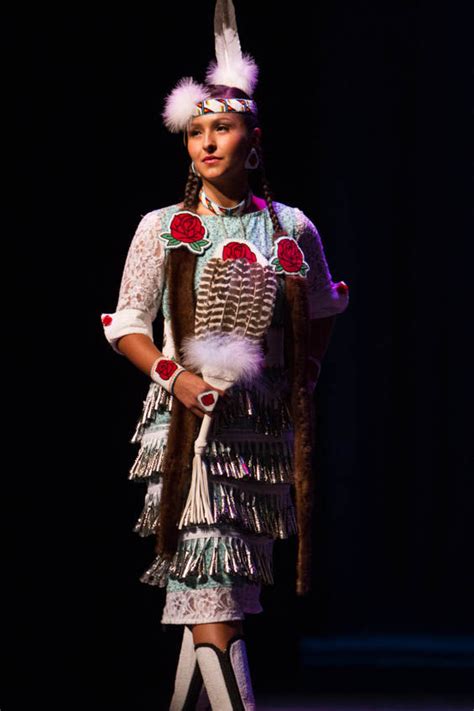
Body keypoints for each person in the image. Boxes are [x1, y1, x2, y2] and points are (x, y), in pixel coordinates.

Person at [100, 2, 349, 708]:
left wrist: (303, 371)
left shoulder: (290, 227)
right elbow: (126, 323)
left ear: (254, 140)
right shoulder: (162, 229)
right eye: (197, 130)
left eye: (224, 127)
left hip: (257, 439)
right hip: (189, 435)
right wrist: (173, 376)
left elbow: (326, 306)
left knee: (224, 592)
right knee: (210, 592)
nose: (209, 141)